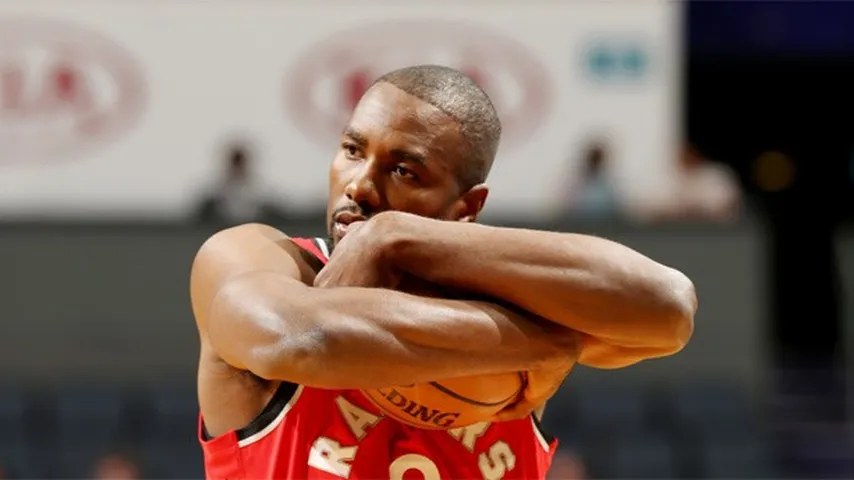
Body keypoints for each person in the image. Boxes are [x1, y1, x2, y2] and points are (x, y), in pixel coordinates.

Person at [191, 65, 697, 479]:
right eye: (352, 150)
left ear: (466, 207)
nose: (360, 187)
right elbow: (299, 340)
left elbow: (670, 307)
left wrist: (395, 237)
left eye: (404, 170)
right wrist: (546, 342)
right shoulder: (254, 258)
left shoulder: (508, 290)